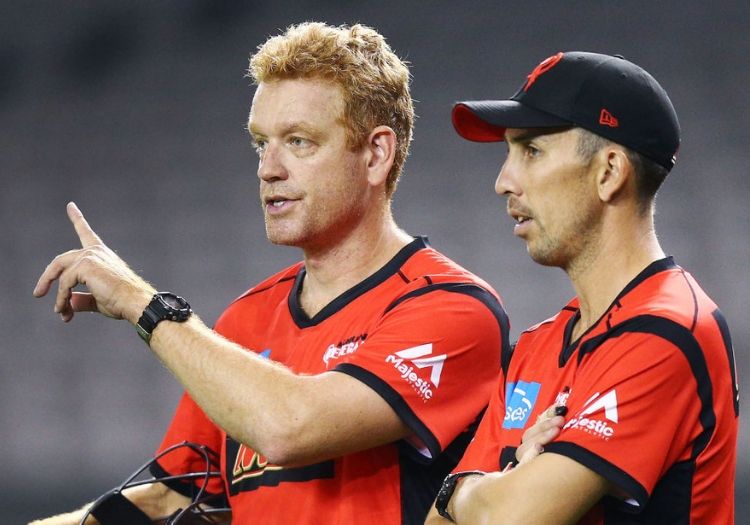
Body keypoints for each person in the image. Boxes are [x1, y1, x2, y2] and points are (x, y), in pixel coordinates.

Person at [32, 22, 510, 524]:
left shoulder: (452, 308)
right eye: (262, 142)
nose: (268, 168)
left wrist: (141, 304)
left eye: (299, 141)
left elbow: (290, 427)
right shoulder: (247, 318)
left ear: (376, 154)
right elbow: (172, 497)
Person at [426, 51, 739, 524]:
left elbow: (510, 518)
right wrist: (504, 487)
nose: (503, 182)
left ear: (609, 172)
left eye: (531, 150)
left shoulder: (668, 331)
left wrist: (467, 491)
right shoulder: (536, 346)